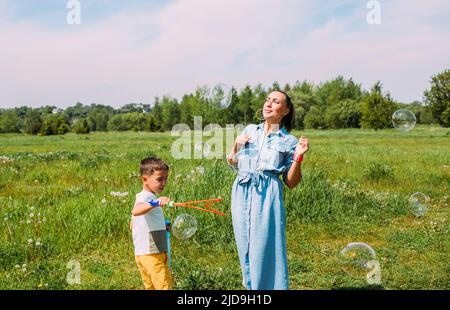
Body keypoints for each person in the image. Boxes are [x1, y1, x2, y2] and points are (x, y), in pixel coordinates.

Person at [227, 90, 309, 290]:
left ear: (286, 110)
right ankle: (251, 287)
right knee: (244, 243)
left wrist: (298, 157)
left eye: (276, 101)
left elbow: (291, 182)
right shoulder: (249, 130)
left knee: (265, 245)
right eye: (267, 100)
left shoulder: (289, 141)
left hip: (267, 194)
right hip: (242, 190)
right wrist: (235, 148)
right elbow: (232, 163)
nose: (269, 104)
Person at [131, 157, 172, 290]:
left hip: (143, 254)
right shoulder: (146, 198)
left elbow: (134, 222)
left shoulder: (145, 198)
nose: (164, 183)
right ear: (144, 179)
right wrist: (154, 203)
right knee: (163, 286)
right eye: (160, 179)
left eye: (166, 178)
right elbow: (136, 211)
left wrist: (163, 227)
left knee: (151, 287)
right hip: (153, 253)